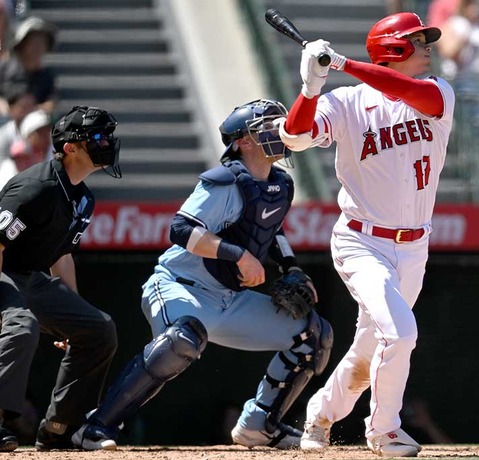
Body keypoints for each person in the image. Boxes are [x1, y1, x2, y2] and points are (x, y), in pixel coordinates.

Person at [70, 98, 333, 451]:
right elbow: (181, 229)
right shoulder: (224, 182)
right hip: (180, 287)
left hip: (230, 299)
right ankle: (97, 426)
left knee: (314, 335)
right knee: (181, 340)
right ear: (244, 141)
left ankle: (260, 425)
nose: (281, 131)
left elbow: (272, 231)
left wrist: (292, 268)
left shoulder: (280, 183)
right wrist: (237, 255)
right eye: (269, 126)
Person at [278, 11, 455, 458]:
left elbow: (407, 93)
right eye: (417, 40)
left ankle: (319, 414)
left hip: (414, 246)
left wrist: (343, 63)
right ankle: (384, 431)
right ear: (394, 50)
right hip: (362, 240)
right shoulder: (347, 102)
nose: (427, 46)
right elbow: (295, 137)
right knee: (401, 333)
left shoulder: (436, 92)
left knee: (366, 353)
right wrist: (311, 87)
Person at [0, 105, 121, 452]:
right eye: (97, 138)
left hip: (28, 277)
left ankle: (60, 428)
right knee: (21, 326)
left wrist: (74, 318)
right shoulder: (35, 188)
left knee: (99, 330)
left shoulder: (83, 197)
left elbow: (61, 255)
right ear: (70, 148)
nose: (107, 143)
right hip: (3, 268)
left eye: (107, 136)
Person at [0, 16, 57, 115]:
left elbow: (51, 102)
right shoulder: (4, 68)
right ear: (22, 44)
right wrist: (5, 108)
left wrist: (33, 110)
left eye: (42, 42)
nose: (38, 47)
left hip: (33, 123)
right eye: (34, 42)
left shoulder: (46, 75)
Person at [0, 108, 52, 187]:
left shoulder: (58, 154)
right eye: (39, 131)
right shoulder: (14, 160)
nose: (45, 134)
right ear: (28, 136)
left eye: (47, 129)